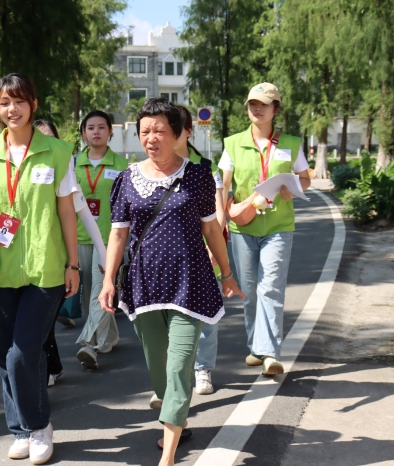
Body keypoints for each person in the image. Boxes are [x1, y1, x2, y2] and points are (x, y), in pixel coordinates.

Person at [98, 97, 243, 466]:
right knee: (159, 367)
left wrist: (226, 273)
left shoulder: (197, 175)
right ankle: (176, 415)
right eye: (145, 131)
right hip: (145, 285)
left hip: (190, 283)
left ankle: (169, 455)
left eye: (160, 130)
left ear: (177, 134)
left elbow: (211, 228)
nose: (152, 137)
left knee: (180, 366)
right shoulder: (128, 179)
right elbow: (118, 235)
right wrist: (108, 280)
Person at [0, 74, 80, 465]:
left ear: (33, 103)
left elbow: (66, 210)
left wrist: (73, 263)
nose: (11, 110)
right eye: (3, 103)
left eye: (18, 101)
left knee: (23, 352)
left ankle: (39, 425)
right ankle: (19, 430)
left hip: (46, 268)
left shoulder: (58, 152)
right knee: (3, 352)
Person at [219, 82, 311, 376]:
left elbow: (305, 178)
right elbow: (224, 187)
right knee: (248, 292)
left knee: (270, 287)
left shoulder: (291, 144)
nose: (257, 109)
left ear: (276, 109)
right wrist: (219, 228)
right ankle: (256, 347)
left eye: (264, 104)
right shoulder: (232, 143)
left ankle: (270, 353)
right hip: (243, 227)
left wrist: (293, 188)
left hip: (279, 226)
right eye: (252, 104)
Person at [32, 119, 107, 385]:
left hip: (58, 255)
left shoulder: (64, 168)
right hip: (21, 262)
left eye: (49, 139)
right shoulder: (15, 172)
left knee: (46, 318)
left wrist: (102, 252)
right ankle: (51, 364)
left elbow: (83, 211)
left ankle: (53, 362)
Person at [173, 105, 226, 396]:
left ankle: (202, 368)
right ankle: (172, 375)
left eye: (174, 128)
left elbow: (217, 215)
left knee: (206, 315)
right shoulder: (151, 168)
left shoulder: (206, 169)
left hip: (203, 254)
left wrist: (209, 246)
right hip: (169, 259)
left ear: (188, 132)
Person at [74, 110, 128, 370]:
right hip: (78, 235)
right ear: (83, 133)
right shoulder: (72, 164)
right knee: (88, 293)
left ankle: (88, 343)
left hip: (108, 239)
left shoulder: (121, 165)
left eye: (101, 127)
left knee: (99, 288)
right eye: (91, 128)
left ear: (110, 132)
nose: (96, 132)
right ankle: (109, 336)